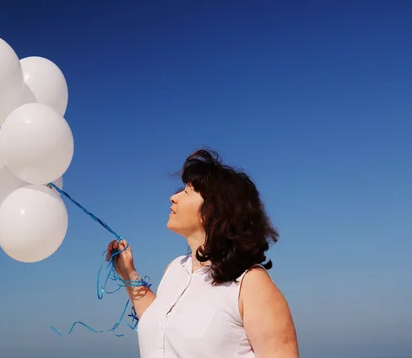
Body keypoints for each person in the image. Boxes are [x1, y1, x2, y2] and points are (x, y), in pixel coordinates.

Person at [106, 149, 299, 358]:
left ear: (213, 210)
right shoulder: (175, 268)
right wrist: (128, 273)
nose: (173, 197)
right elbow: (160, 324)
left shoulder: (251, 283)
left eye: (187, 191)